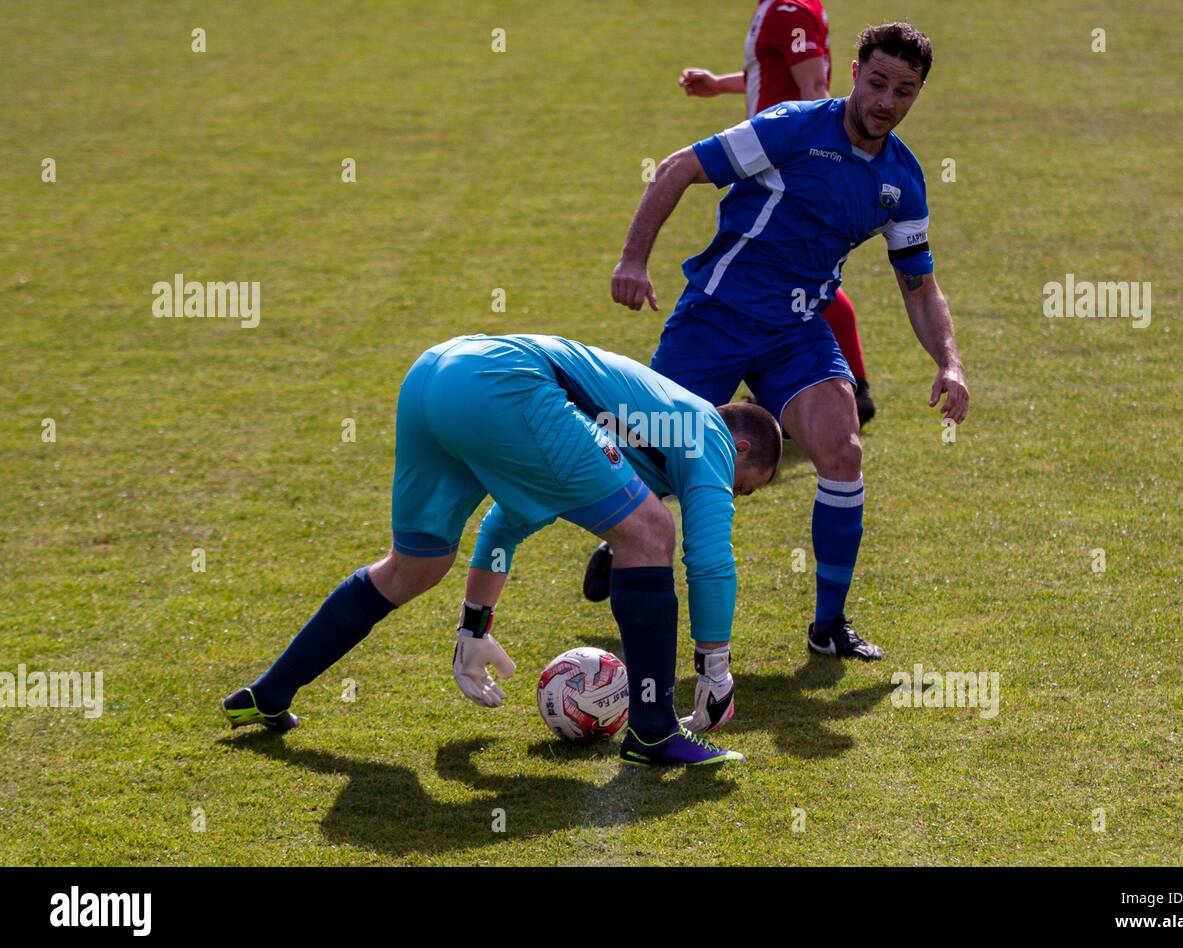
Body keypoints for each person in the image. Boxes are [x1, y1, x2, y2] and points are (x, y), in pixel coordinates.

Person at [588, 23, 970, 667]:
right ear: (854, 72)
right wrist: (632, 260)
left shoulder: (902, 180)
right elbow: (682, 167)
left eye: (904, 91)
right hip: (717, 317)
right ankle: (617, 545)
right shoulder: (793, 127)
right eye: (877, 83)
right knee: (648, 461)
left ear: (917, 94)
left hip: (796, 331)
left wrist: (950, 362)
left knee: (843, 449)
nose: (886, 101)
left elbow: (918, 286)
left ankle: (829, 624)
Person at [222, 333, 782, 767]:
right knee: (651, 532)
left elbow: (507, 520)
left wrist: (474, 628)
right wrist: (714, 669)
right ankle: (655, 731)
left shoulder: (644, 432)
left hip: (433, 376)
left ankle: (267, 693)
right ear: (740, 446)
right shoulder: (707, 431)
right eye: (740, 486)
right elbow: (708, 557)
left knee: (415, 566)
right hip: (504, 380)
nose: (725, 495)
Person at [678, 0, 875, 427]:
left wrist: (823, 169)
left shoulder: (788, 11)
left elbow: (815, 90)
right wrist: (719, 85)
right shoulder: (791, 8)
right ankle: (853, 388)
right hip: (771, 156)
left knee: (768, 269)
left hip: (782, 165)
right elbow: (774, 70)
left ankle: (830, 386)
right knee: (798, 275)